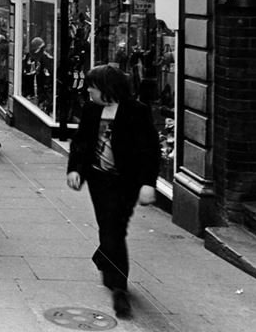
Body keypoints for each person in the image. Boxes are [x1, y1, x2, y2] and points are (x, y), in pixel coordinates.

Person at [66, 64, 160, 320]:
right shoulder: (91, 110)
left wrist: (148, 183)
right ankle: (109, 266)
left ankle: (119, 287)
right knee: (109, 226)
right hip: (99, 179)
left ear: (106, 88)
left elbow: (150, 150)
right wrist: (74, 169)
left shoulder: (136, 112)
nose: (88, 91)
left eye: (92, 87)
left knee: (114, 229)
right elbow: (81, 142)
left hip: (125, 181)